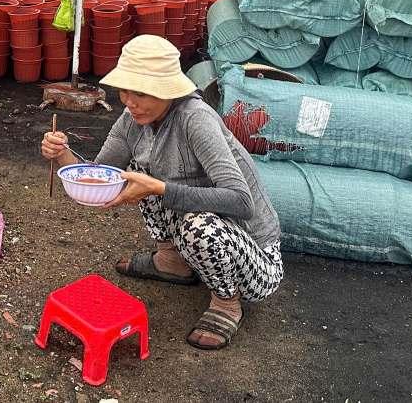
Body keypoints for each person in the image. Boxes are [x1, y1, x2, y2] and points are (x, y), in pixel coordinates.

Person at [40, 35, 282, 350]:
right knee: (139, 175)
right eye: (125, 90)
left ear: (167, 89)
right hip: (192, 226)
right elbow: (100, 175)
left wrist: (160, 188)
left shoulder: (196, 119)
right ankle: (174, 260)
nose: (129, 101)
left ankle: (226, 301)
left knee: (193, 220)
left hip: (253, 257)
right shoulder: (132, 118)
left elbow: (241, 201)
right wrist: (63, 156)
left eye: (140, 92)